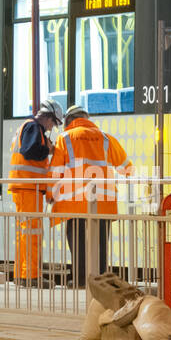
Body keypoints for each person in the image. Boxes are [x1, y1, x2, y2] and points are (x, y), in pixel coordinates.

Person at [48, 104, 133, 287]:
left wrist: (50, 194)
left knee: (78, 243)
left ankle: (79, 280)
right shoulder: (105, 138)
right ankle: (99, 282)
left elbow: (56, 171)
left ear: (70, 121)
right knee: (100, 243)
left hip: (75, 202)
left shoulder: (65, 138)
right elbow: (127, 168)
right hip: (103, 201)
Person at [8, 99, 63, 283]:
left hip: (25, 187)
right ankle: (31, 276)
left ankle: (22, 275)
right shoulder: (33, 128)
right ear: (47, 117)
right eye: (53, 123)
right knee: (32, 233)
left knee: (24, 233)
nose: (51, 127)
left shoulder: (27, 127)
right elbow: (29, 151)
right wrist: (47, 149)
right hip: (28, 187)